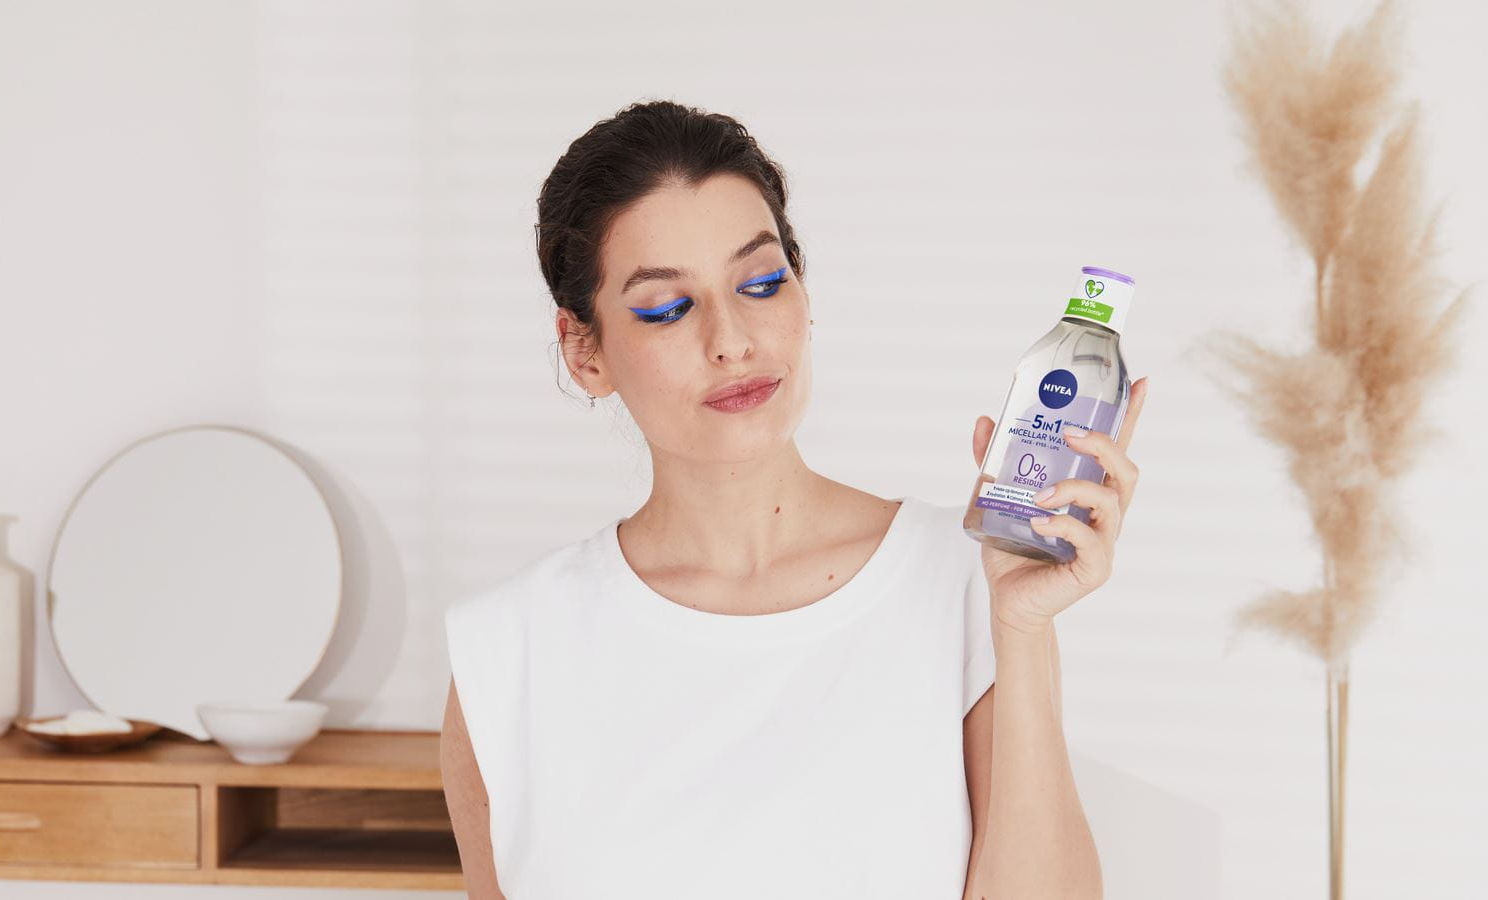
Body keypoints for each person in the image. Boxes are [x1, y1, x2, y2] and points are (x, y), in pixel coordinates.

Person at [440, 99, 1148, 899]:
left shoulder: (967, 582)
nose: (732, 339)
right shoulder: (508, 652)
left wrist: (1020, 628)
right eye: (667, 306)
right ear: (585, 350)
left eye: (762, 281)